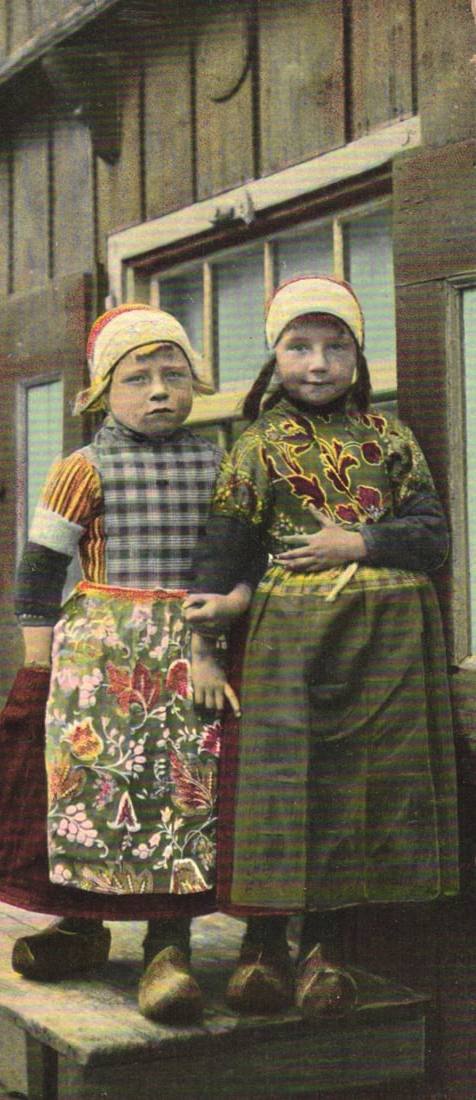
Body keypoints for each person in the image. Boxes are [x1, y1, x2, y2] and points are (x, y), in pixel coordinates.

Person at [184, 274, 459, 1019]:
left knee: (354, 788)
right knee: (278, 783)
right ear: (273, 357)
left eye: (335, 346)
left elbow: (431, 537)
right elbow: (223, 554)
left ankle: (327, 950)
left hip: (388, 648)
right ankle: (263, 946)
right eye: (298, 346)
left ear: (357, 357)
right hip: (288, 644)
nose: (316, 363)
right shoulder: (256, 447)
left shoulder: (390, 439)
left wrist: (356, 540)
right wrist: (204, 646)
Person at [0, 303, 226, 1024]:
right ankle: (82, 927)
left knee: (178, 793)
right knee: (87, 789)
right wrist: (38, 663)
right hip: (99, 659)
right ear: (101, 392)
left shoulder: (215, 461)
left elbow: (232, 553)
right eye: (137, 378)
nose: (157, 391)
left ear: (193, 384)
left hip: (188, 655)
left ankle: (167, 945)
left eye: (172, 375)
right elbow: (36, 570)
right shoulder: (81, 468)